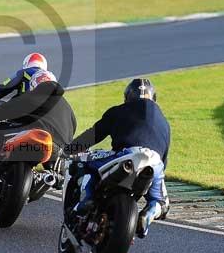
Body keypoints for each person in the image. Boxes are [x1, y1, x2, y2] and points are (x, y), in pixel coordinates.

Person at [68, 78, 171, 238]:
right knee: (162, 203)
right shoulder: (165, 123)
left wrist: (67, 150)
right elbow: (163, 163)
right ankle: (148, 214)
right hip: (154, 163)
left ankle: (86, 199)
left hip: (127, 155)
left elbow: (92, 136)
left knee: (84, 162)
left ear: (127, 97)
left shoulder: (119, 110)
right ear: (154, 98)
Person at [0, 69, 77, 169]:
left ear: (35, 84)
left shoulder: (36, 94)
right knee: (55, 175)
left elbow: (7, 109)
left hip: (37, 135)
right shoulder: (68, 108)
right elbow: (74, 127)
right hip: (59, 148)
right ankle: (53, 177)